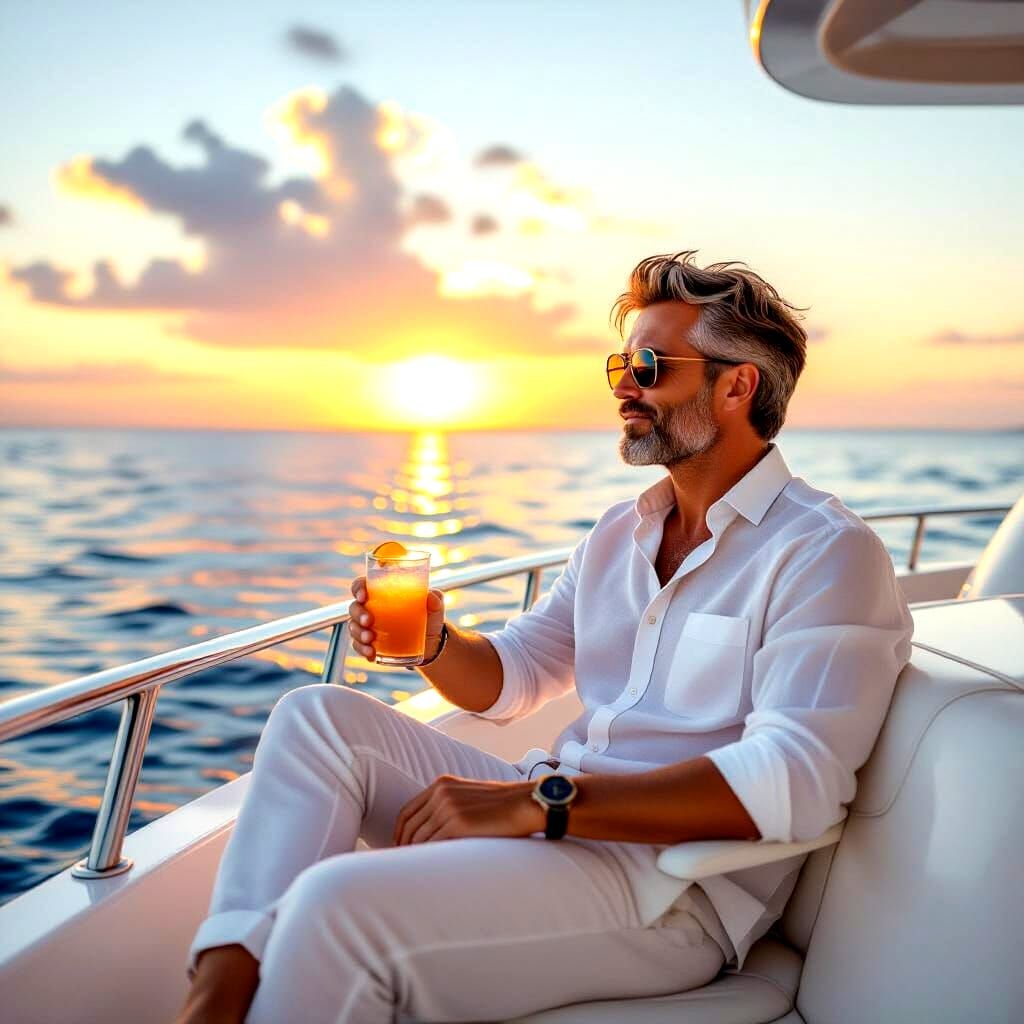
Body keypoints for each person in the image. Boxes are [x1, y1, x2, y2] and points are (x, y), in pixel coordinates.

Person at [176, 250, 914, 1023]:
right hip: (558, 819)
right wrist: (434, 643)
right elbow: (516, 673)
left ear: (737, 386)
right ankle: (212, 1002)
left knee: (335, 902)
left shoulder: (824, 551)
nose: (624, 387)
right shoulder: (620, 534)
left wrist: (542, 801)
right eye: (621, 366)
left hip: (670, 888)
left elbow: (795, 782)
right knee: (316, 717)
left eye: (650, 367)